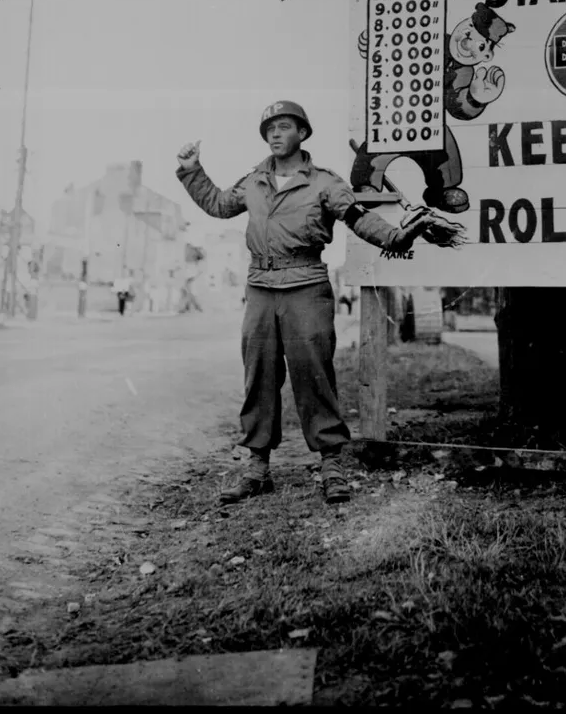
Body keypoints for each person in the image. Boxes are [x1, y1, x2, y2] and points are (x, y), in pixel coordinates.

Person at [176, 99, 449, 507]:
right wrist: (192, 170)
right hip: (261, 287)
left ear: (302, 133)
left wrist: (396, 237)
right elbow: (217, 204)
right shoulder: (254, 180)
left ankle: (331, 465)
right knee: (259, 374)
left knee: (313, 374)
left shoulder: (324, 182)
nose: (274, 133)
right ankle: (257, 467)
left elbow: (358, 217)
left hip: (306, 285)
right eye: (269, 127)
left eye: (284, 126)